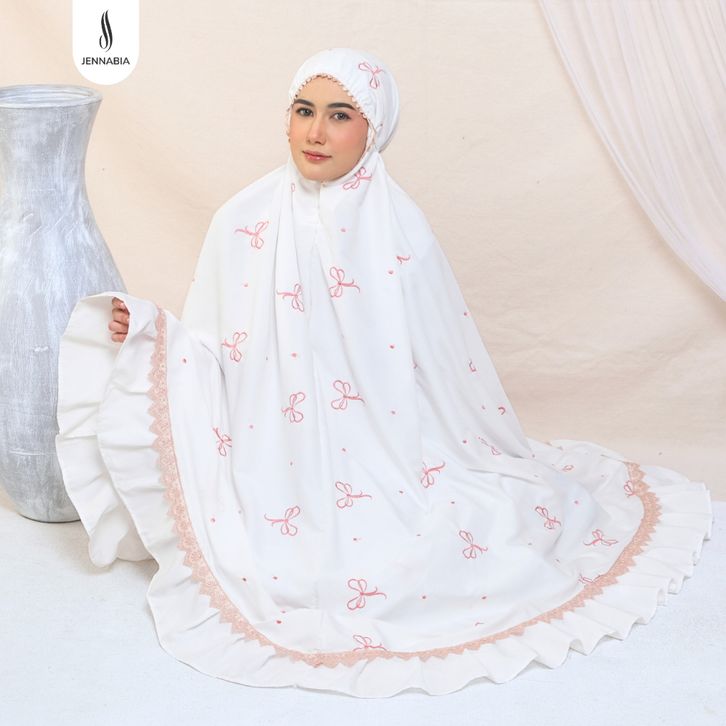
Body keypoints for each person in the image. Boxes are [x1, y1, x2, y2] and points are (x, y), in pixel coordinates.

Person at [56, 48, 712, 698]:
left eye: (340, 115)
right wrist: (153, 333)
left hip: (390, 452)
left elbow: (441, 370)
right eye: (303, 111)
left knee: (424, 545)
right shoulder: (242, 220)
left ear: (373, 130)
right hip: (276, 457)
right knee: (292, 565)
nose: (316, 132)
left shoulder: (399, 228)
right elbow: (215, 351)